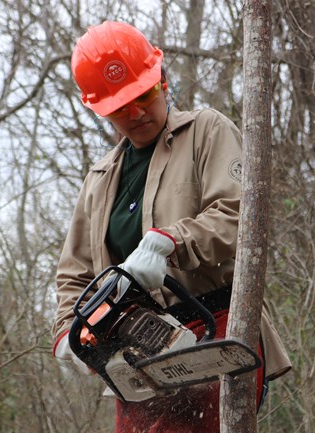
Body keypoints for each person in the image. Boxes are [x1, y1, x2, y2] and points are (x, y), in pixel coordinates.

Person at [52, 20, 291, 432]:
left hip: (212, 326)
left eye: (142, 95)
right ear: (100, 109)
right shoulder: (99, 180)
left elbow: (240, 215)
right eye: (120, 107)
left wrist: (169, 242)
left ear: (161, 80)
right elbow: (74, 276)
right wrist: (67, 336)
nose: (136, 112)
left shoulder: (206, 131)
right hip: (132, 354)